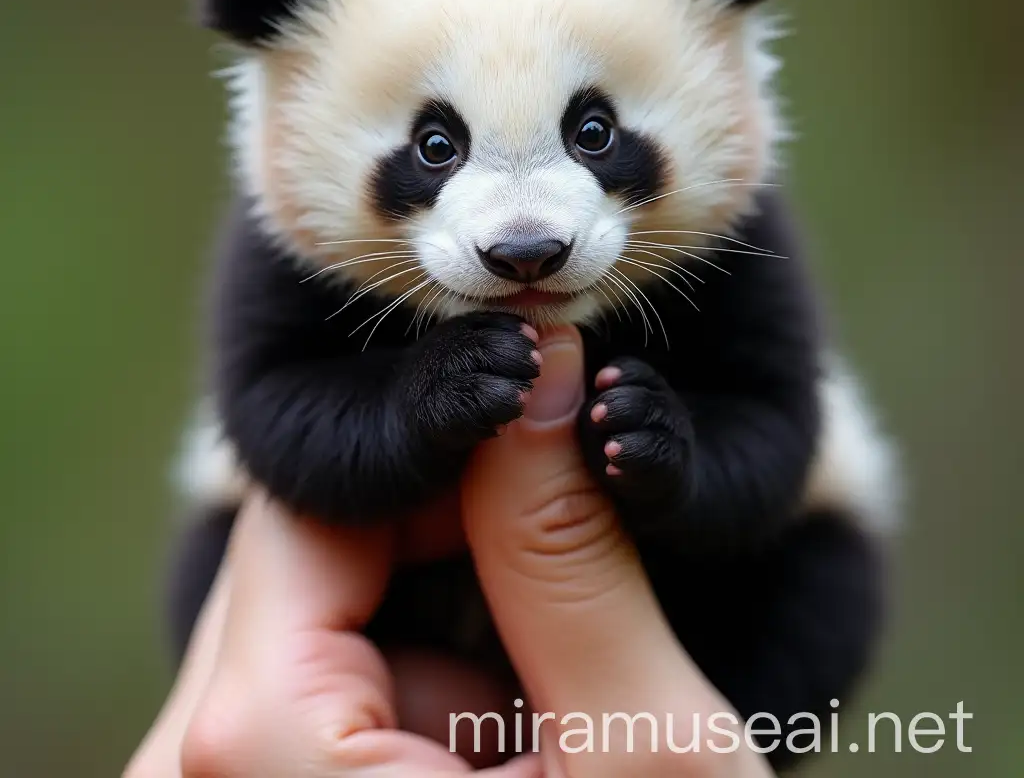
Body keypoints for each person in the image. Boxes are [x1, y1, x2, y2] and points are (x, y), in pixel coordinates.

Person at [125, 327, 773, 777]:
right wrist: (403, 409)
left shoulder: (736, 271)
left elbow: (772, 436)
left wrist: (669, 459)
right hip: (387, 651)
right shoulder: (292, 271)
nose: (527, 232)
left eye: (593, 134)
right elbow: (280, 410)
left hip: (702, 628)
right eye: (437, 150)